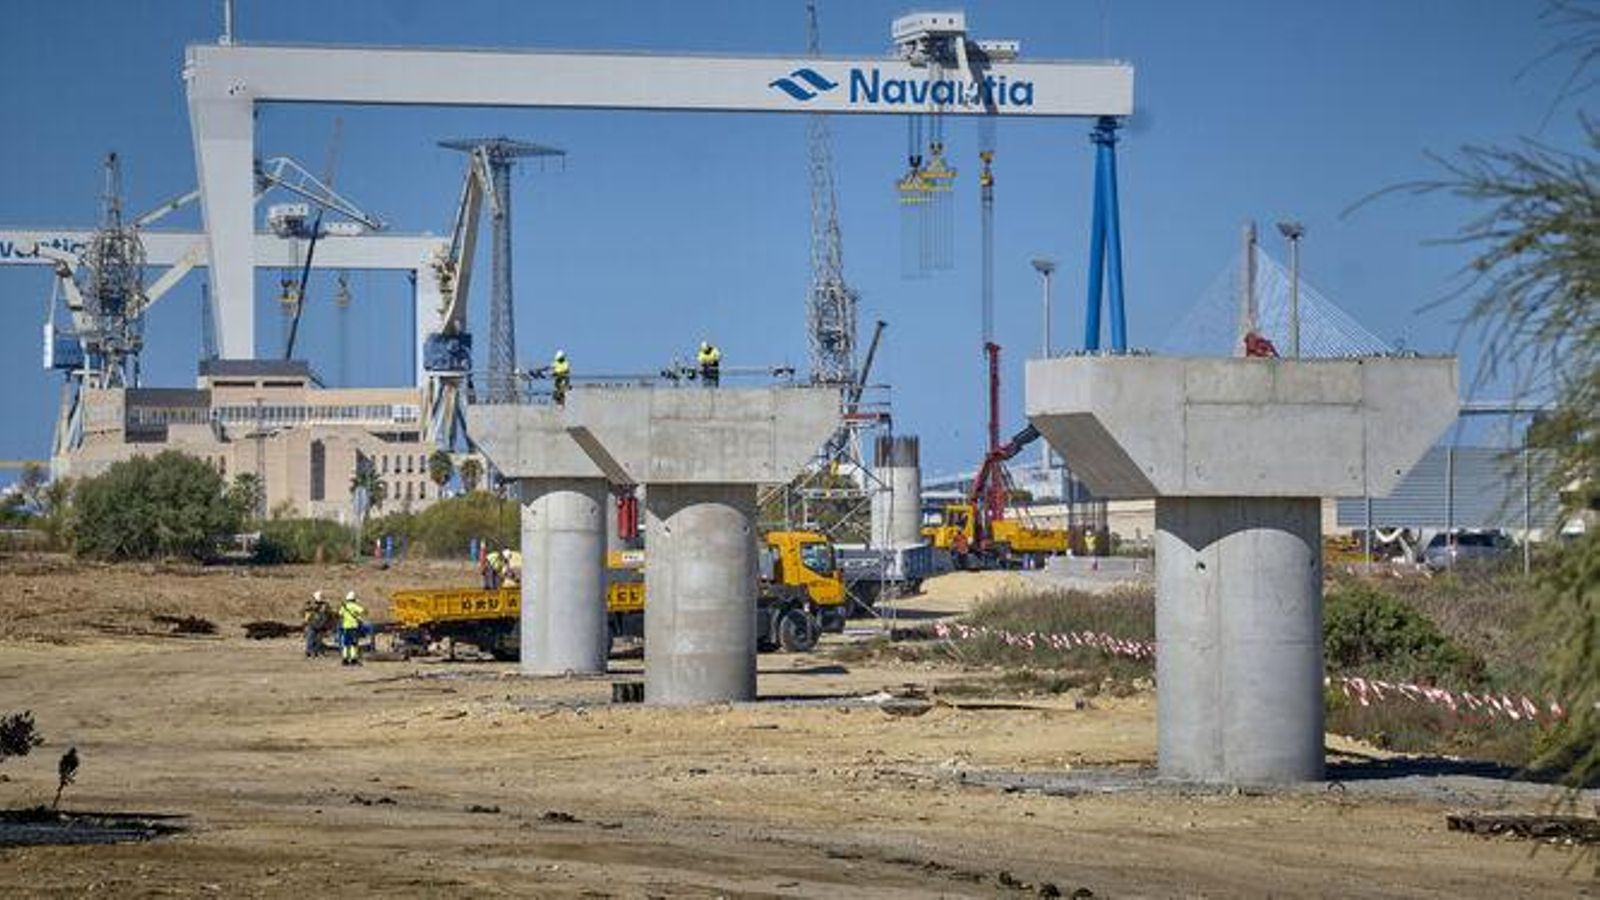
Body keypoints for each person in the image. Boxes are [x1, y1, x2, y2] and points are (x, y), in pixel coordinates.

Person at [338, 590, 368, 666]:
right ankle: (353, 659)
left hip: (345, 627)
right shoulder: (355, 606)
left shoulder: (344, 606)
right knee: (353, 644)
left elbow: (340, 614)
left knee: (345, 644)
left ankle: (345, 659)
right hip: (354, 627)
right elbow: (363, 611)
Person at [302, 591, 331, 658]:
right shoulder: (311, 605)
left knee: (315, 639)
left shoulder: (323, 605)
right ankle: (311, 652)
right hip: (316, 624)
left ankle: (313, 652)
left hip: (316, 624)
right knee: (312, 639)